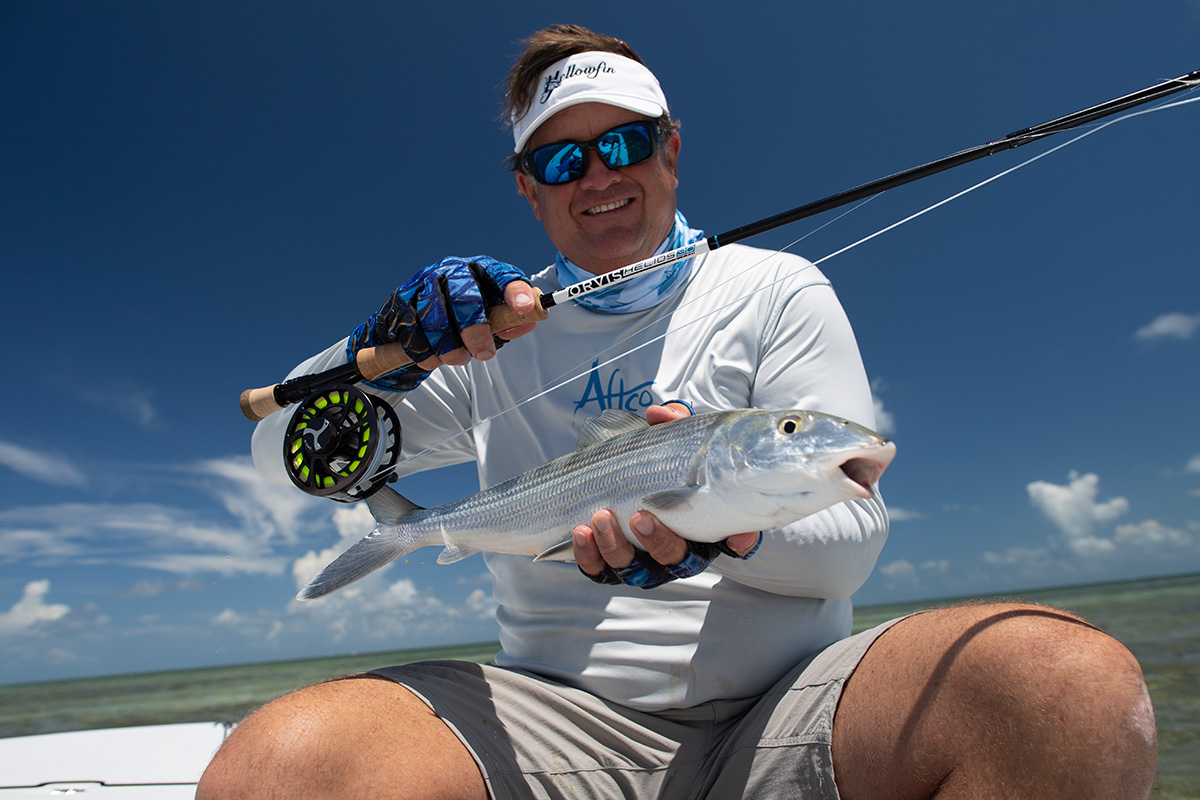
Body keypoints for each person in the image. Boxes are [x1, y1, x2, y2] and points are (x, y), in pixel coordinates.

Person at [199, 24, 1157, 800]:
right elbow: (281, 458)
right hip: (553, 714)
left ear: (672, 148)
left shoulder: (777, 288)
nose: (602, 177)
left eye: (625, 143)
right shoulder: (480, 338)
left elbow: (854, 538)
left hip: (790, 704)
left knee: (1062, 685)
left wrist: (728, 533)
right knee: (279, 769)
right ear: (528, 190)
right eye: (564, 160)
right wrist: (384, 353)